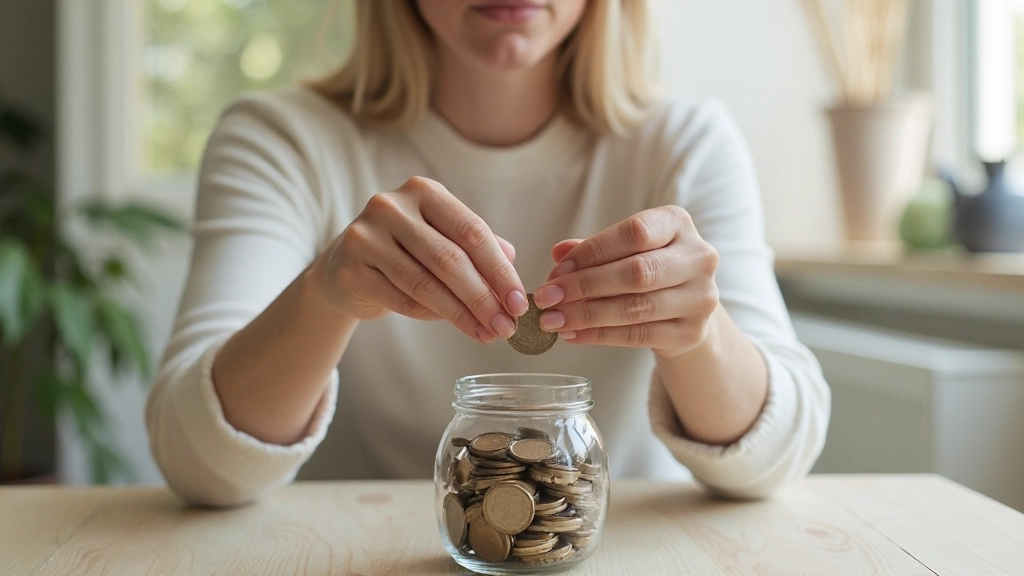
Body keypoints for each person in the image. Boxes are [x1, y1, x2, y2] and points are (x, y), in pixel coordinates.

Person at [146, 0, 830, 507]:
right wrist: (328, 296)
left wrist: (699, 335)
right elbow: (197, 462)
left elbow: (775, 462)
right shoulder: (278, 139)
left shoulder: (688, 144)